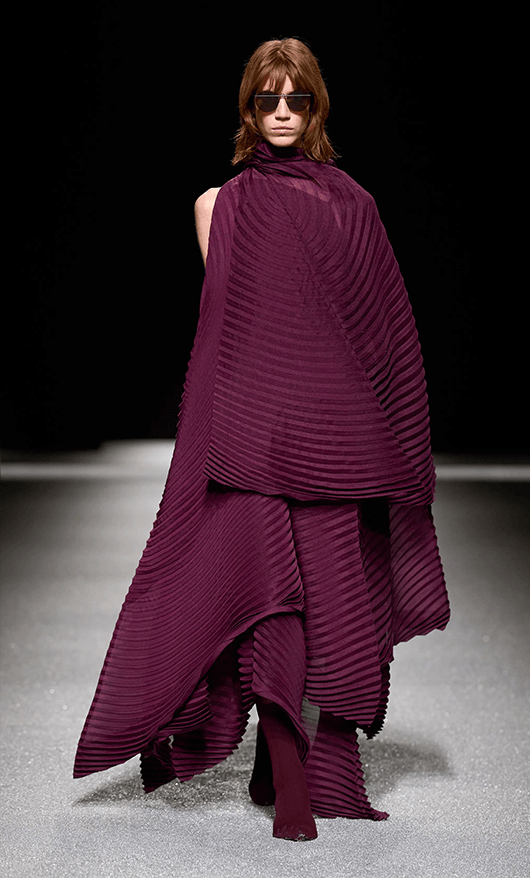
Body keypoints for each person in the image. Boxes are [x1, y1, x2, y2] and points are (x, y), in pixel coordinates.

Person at [73, 37, 450, 842]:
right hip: (253, 435)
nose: (282, 112)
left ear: (316, 107)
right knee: (271, 598)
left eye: (297, 99)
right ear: (248, 108)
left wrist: (384, 437)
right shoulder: (217, 205)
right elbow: (230, 332)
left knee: (334, 610)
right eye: (267, 99)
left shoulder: (353, 206)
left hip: (335, 440)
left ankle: (286, 771)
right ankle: (289, 783)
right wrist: (208, 440)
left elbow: (383, 334)